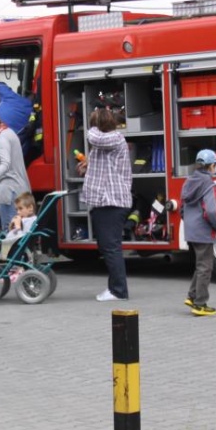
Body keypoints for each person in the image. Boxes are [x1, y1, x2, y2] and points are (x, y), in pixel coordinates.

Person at [77, 107, 132, 302]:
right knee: (108, 247)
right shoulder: (106, 142)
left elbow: (94, 138)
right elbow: (106, 167)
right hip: (105, 201)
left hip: (112, 202)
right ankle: (114, 288)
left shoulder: (114, 138)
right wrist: (88, 167)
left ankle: (118, 291)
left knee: (111, 247)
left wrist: (92, 126)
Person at [182, 149, 216, 317]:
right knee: (206, 267)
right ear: (211, 166)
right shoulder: (209, 185)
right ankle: (200, 304)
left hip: (191, 230)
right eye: (215, 166)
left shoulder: (188, 182)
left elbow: (183, 208)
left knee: (200, 265)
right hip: (204, 230)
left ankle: (192, 296)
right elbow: (212, 210)